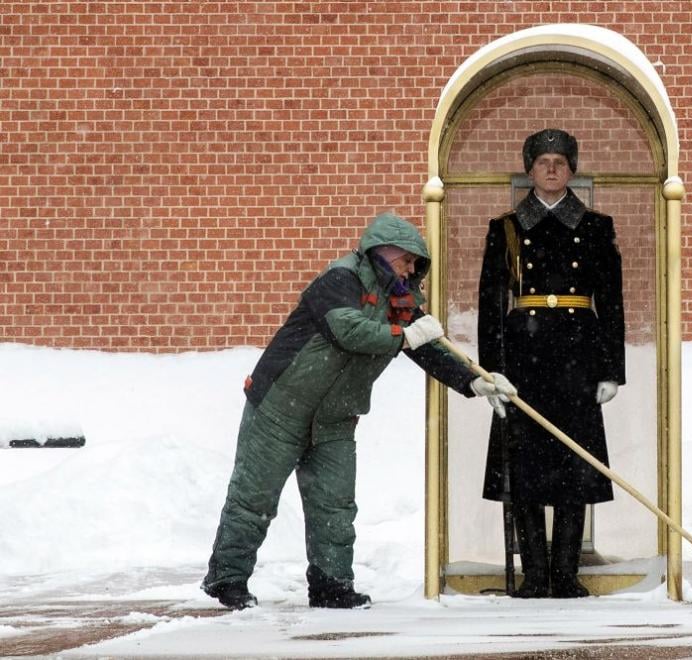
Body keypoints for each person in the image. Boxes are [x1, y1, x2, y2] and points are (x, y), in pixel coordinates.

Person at [203, 211, 516, 610]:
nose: (411, 270)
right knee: (254, 498)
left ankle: (331, 585)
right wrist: (404, 336)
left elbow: (433, 351)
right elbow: (347, 330)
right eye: (406, 261)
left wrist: (475, 380)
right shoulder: (340, 279)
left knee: (334, 505)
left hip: (335, 418)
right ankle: (228, 580)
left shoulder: (401, 302)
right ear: (382, 252)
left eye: (415, 264)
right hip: (280, 407)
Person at [477, 128, 625, 598]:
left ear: (573, 169)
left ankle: (565, 572)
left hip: (578, 357)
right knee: (524, 469)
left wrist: (610, 370)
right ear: (529, 169)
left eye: (561, 161)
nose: (553, 168)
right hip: (524, 357)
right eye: (543, 161)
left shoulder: (596, 227)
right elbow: (491, 306)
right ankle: (534, 574)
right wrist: (491, 370)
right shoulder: (506, 228)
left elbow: (613, 303)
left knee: (573, 466)